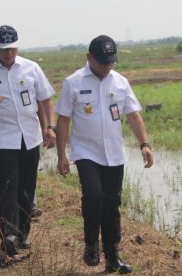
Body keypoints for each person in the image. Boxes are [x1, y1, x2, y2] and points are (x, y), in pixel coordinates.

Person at [56, 35, 154, 274]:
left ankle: (112, 255)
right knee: (92, 196)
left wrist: (144, 144)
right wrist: (61, 155)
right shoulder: (73, 82)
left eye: (111, 62)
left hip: (114, 153)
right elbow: (64, 119)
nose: (107, 66)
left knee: (112, 204)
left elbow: (132, 115)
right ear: (89, 58)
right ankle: (91, 244)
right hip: (86, 152)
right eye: (102, 62)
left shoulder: (120, 82)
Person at [0, 25, 56, 260]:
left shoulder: (31, 68)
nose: (8, 54)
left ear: (17, 46)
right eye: (3, 50)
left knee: (26, 187)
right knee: (8, 185)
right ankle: (8, 233)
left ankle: (23, 232)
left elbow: (46, 99)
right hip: (1, 140)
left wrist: (49, 127)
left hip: (29, 138)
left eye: (12, 49)